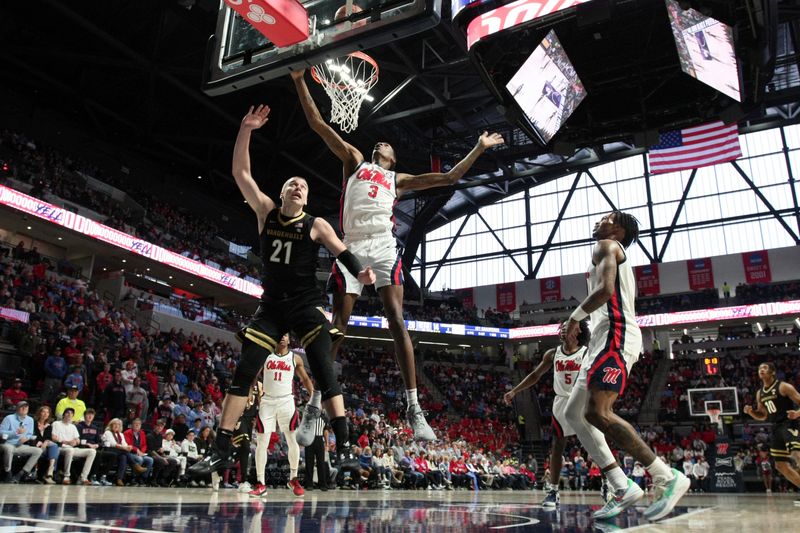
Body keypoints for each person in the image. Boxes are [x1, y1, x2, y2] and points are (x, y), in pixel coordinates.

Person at [292, 70, 504, 441]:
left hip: (385, 246)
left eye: (389, 146)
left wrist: (480, 147)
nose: (383, 143)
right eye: (382, 143)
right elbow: (318, 124)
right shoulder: (355, 161)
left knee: (396, 320)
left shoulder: (398, 180)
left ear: (393, 159)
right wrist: (298, 79)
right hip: (352, 244)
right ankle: (314, 403)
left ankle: (414, 407)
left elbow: (450, 177)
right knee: (338, 325)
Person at [189, 104, 374, 477]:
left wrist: (362, 273)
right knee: (244, 372)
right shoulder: (266, 211)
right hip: (272, 306)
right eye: (292, 182)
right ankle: (221, 448)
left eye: (303, 186)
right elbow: (240, 172)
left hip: (306, 304)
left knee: (324, 368)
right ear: (283, 191)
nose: (298, 186)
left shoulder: (316, 223)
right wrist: (246, 128)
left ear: (305, 199)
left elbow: (342, 251)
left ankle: (346, 448)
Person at [563, 211, 689, 521]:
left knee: (597, 412)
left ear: (617, 231)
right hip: (601, 339)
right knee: (573, 414)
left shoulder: (607, 245)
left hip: (616, 334)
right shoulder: (610, 248)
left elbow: (606, 290)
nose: (598, 221)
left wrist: (574, 318)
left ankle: (666, 476)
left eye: (606, 218)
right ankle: (622, 485)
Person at [503, 319, 590, 508]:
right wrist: (515, 391)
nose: (562, 330)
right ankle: (553, 490)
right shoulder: (553, 354)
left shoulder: (586, 353)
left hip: (582, 399)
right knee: (557, 446)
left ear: (577, 332)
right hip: (561, 401)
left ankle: (609, 483)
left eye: (567, 327)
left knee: (593, 445)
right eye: (562, 327)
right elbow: (535, 375)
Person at [249, 333, 313, 497]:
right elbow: (253, 375)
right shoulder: (265, 355)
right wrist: (250, 392)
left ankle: (293, 479)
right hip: (267, 401)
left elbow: (305, 379)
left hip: (287, 401)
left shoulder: (295, 358)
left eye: (285, 335)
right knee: (261, 442)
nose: (282, 338)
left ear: (290, 339)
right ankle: (261, 483)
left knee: (292, 440)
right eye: (280, 334)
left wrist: (314, 397)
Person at [744, 361, 800, 505]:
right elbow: (763, 415)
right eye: (759, 368)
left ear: (772, 372)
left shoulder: (783, 386)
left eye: (764, 368)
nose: (761, 370)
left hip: (789, 423)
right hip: (775, 427)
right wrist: (751, 412)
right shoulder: (760, 393)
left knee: (796, 455)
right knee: (780, 465)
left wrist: (797, 413)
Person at [50, 407, 96, 485]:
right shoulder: (56, 423)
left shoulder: (73, 426)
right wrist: (67, 442)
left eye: (71, 414)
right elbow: (53, 438)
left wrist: (75, 442)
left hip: (71, 447)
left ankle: (83, 477)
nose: (69, 415)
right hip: (60, 447)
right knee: (70, 450)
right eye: (67, 413)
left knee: (92, 451)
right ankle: (66, 476)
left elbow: (78, 440)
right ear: (64, 414)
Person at [0, 401, 42, 483]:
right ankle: (8, 472)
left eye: (26, 407)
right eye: (22, 407)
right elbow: (1, 432)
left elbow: (30, 434)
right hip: (8, 443)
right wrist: (15, 432)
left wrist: (26, 438)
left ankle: (22, 473)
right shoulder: (9, 418)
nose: (24, 409)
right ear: (17, 408)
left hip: (20, 445)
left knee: (38, 451)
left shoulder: (30, 420)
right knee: (9, 449)